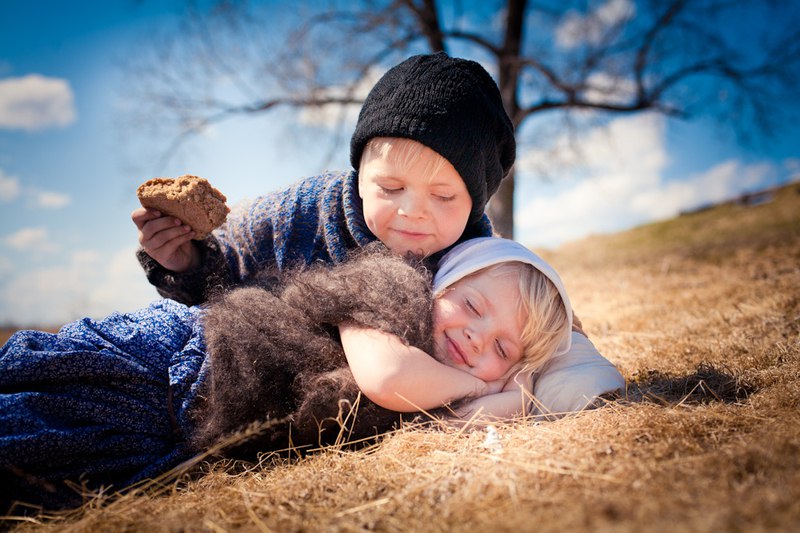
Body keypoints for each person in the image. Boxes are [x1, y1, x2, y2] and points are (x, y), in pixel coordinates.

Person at [1, 238, 573, 512]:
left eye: (502, 345)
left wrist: (514, 394)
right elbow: (385, 375)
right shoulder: (394, 295)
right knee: (32, 414)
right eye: (472, 307)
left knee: (42, 471)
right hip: (180, 365)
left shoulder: (438, 387)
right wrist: (484, 383)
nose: (476, 336)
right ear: (444, 284)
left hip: (185, 429)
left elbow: (466, 419)